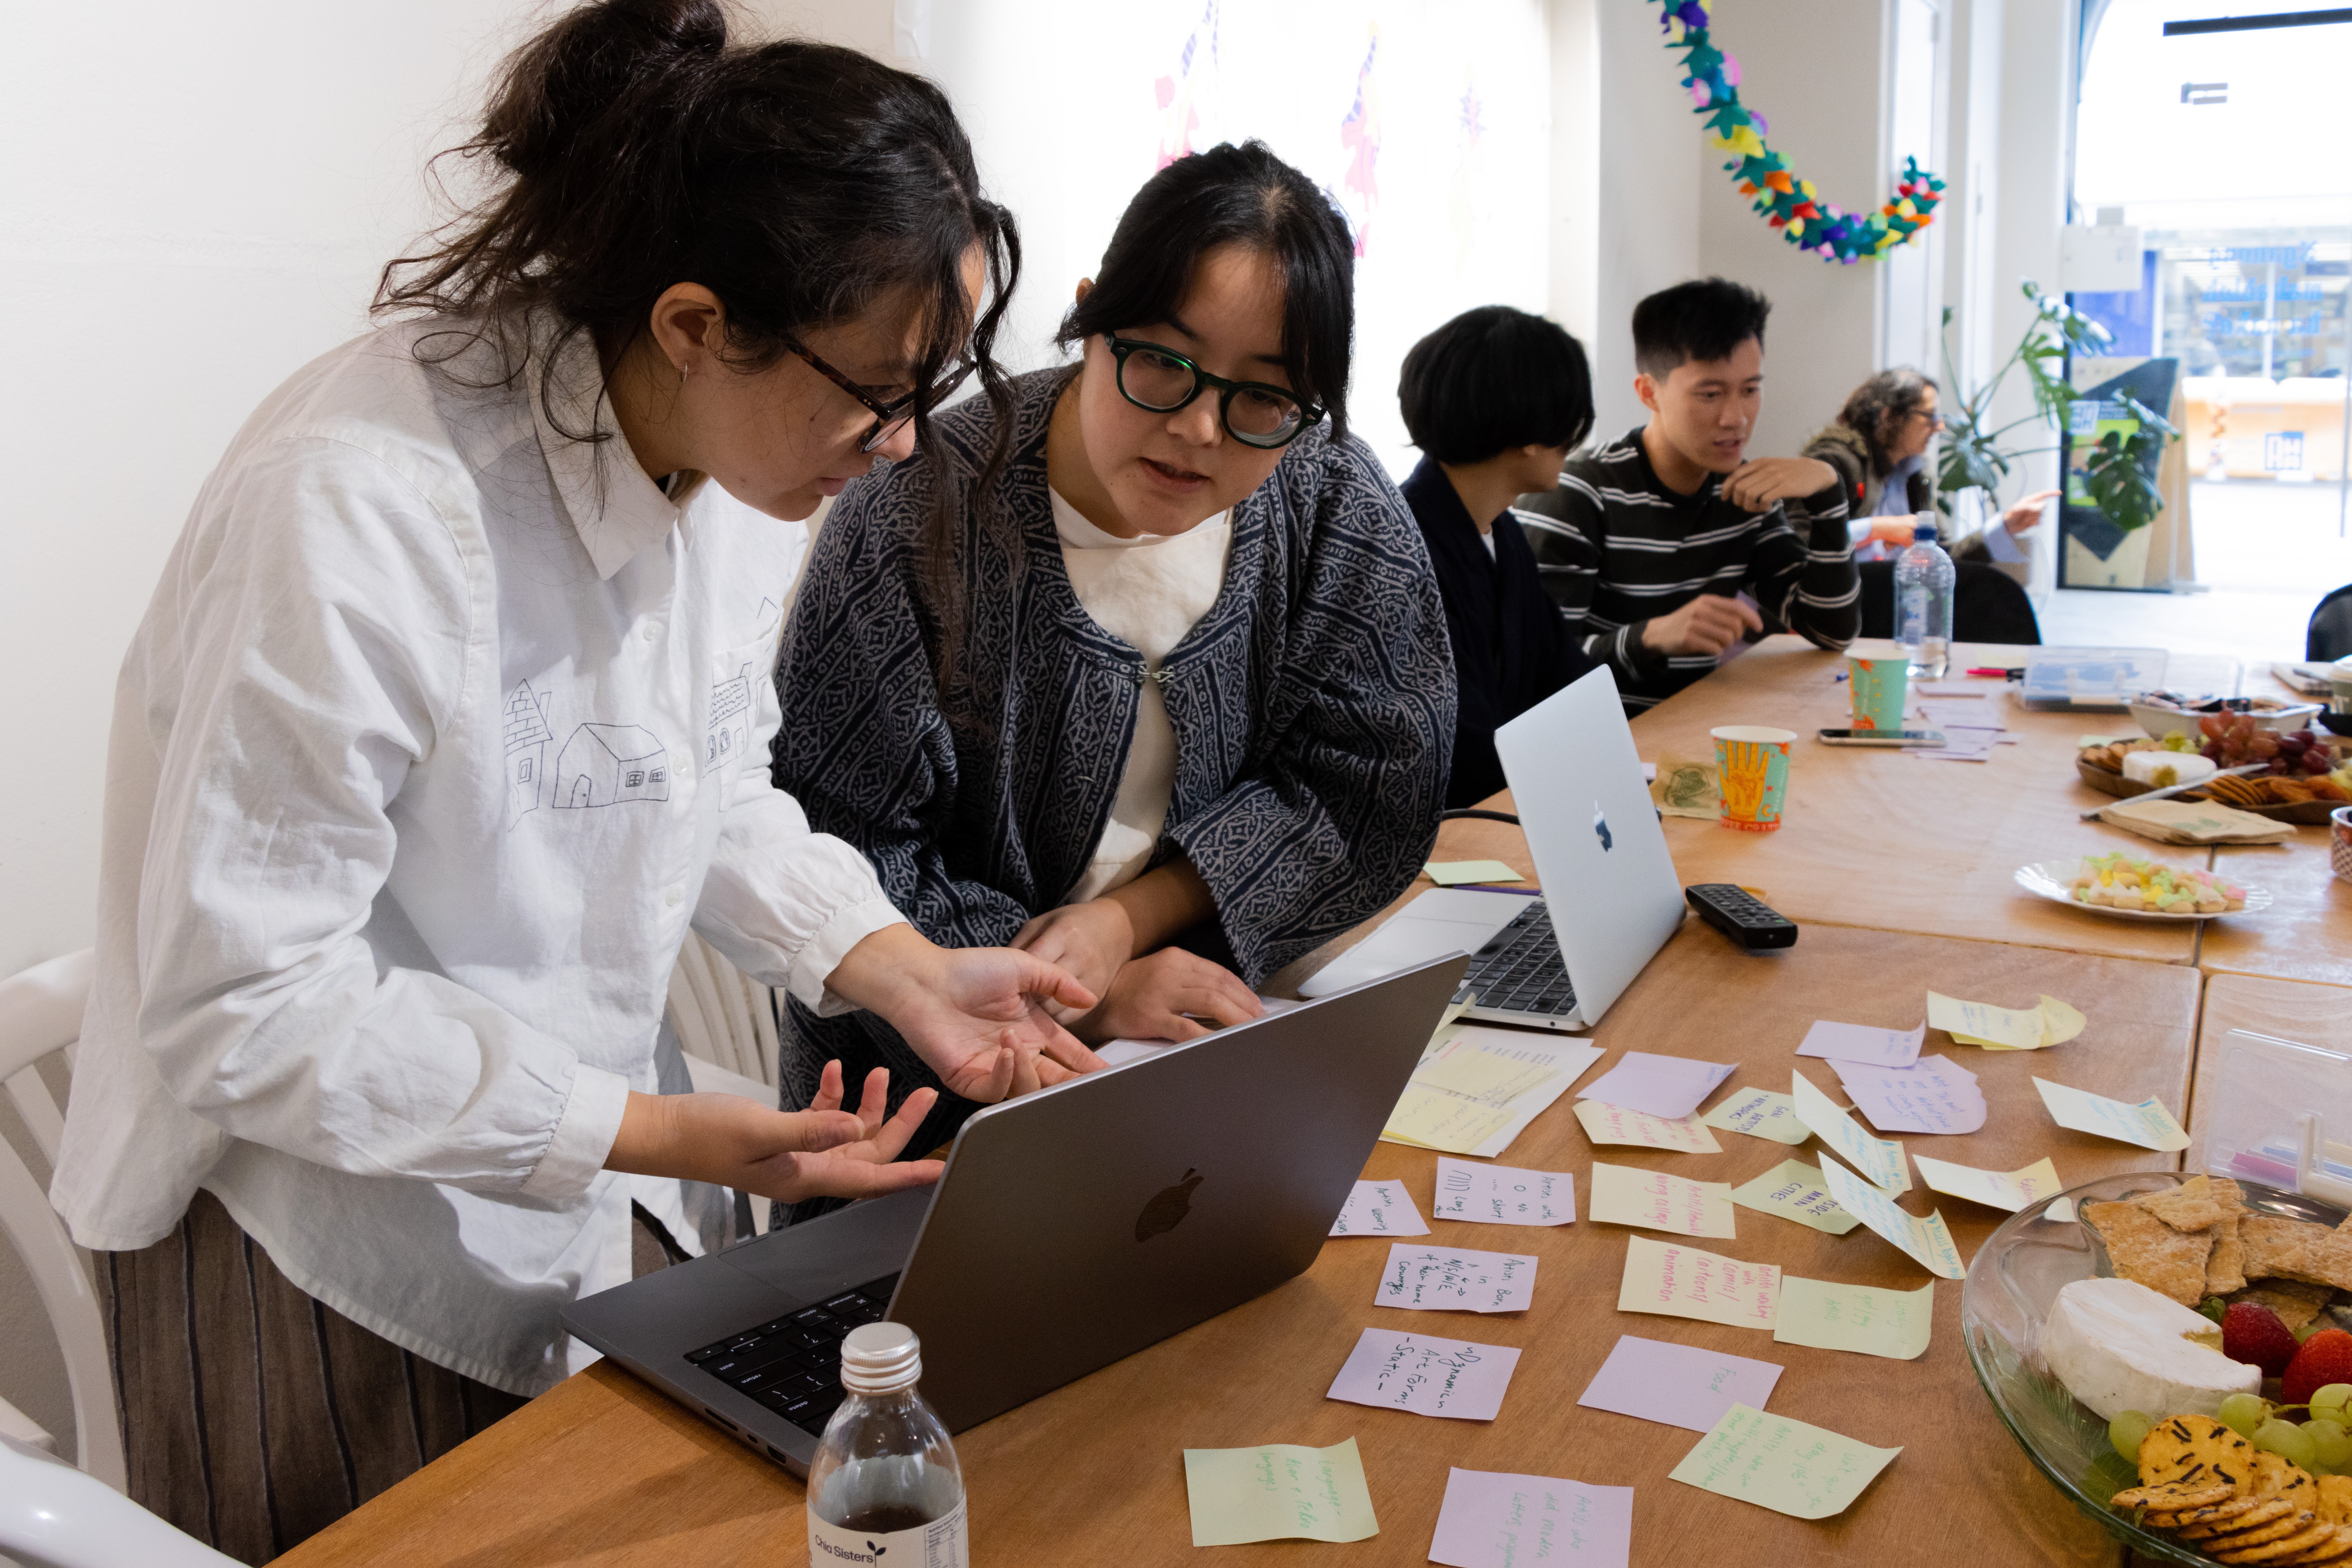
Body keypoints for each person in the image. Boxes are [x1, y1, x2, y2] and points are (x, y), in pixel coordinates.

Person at [48, 5, 1101, 1560]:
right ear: (694, 321)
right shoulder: (362, 506)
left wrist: (901, 967)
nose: (896, 444)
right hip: (306, 1228)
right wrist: (660, 1130)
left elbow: (705, 779)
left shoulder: (736, 454)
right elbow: (248, 1005)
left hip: (566, 1163)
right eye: (876, 392)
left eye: (923, 389)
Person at [774, 141, 1455, 1165]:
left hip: (1210, 1053)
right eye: (1161, 363)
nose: (1197, 430)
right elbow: (844, 844)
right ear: (1092, 313)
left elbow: (1366, 788)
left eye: (1262, 399)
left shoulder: (1328, 501)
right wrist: (1084, 998)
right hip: (921, 1104)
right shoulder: (917, 513)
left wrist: (1133, 920)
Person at [1515, 277, 1861, 712]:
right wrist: (1651, 637)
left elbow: (1831, 631)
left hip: (1690, 734)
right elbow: (1533, 673)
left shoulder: (1740, 491)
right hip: (1602, 752)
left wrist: (1829, 496)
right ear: (1648, 392)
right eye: (1710, 394)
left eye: (1751, 389)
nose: (1736, 418)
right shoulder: (1580, 492)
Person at [1396, 305, 1598, 807]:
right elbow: (1459, 748)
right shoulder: (1403, 548)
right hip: (1448, 828)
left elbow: (1570, 684)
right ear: (1530, 435)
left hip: (1504, 805)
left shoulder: (1501, 532)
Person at [1802, 367, 2059, 580]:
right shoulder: (1835, 460)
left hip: (1895, 603)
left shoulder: (1915, 473)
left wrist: (2006, 525)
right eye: (1930, 416)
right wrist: (1875, 529)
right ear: (1890, 416)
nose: (1940, 426)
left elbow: (1947, 556)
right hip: (1841, 606)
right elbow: (1799, 542)